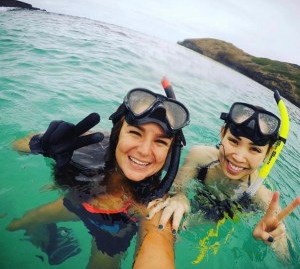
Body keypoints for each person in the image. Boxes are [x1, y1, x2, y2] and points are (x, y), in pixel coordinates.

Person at [6, 84, 190, 269]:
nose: (144, 151)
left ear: (170, 153)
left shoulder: (156, 202)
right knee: (19, 224)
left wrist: (180, 197)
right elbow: (15, 144)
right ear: (117, 133)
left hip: (111, 232)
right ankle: (55, 241)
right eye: (135, 133)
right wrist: (41, 145)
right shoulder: (90, 143)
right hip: (79, 204)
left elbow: (158, 247)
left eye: (160, 142)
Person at [147, 91, 300, 262]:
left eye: (255, 149)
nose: (239, 157)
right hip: (200, 203)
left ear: (268, 153)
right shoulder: (200, 157)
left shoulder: (263, 196)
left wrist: (273, 239)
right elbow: (176, 186)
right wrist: (180, 196)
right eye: (234, 141)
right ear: (222, 133)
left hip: (231, 217)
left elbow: (286, 260)